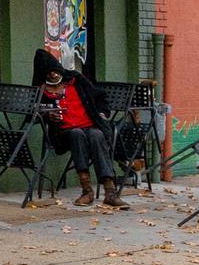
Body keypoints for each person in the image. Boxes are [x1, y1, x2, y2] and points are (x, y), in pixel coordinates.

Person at [31, 48, 129, 210]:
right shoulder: (41, 89)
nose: (54, 75)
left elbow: (99, 97)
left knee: (97, 135)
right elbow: (32, 113)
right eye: (49, 73)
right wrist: (48, 116)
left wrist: (102, 114)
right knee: (77, 135)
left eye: (55, 71)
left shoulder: (76, 80)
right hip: (64, 132)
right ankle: (87, 191)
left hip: (89, 126)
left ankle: (110, 192)